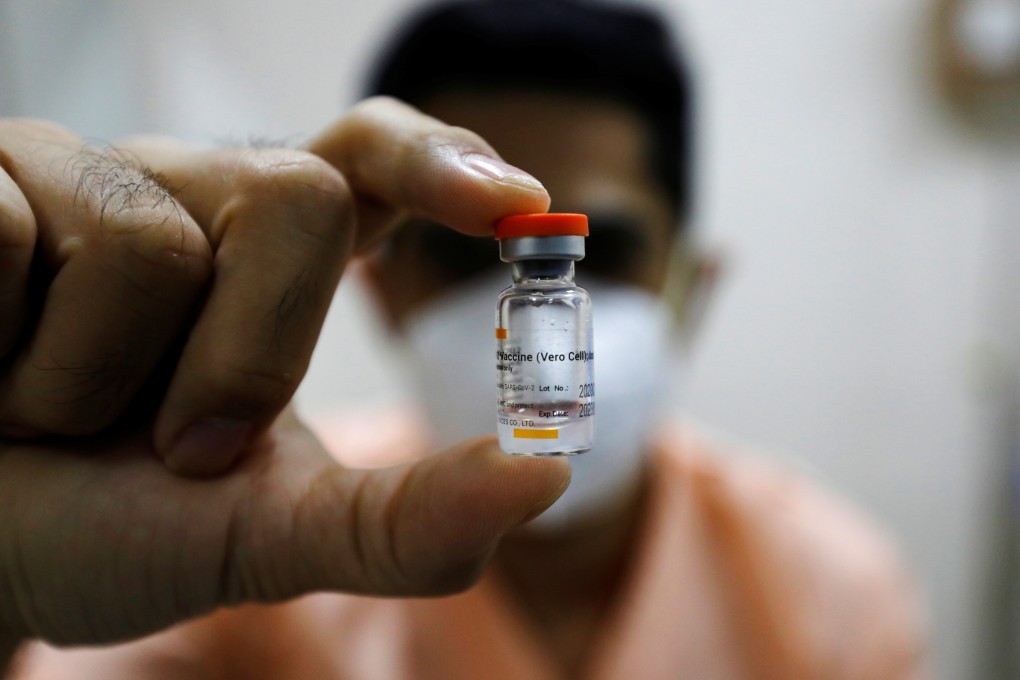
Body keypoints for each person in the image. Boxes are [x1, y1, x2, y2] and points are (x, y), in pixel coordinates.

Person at [4, 1, 931, 678]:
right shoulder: (230, 521)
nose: (528, 291)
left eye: (605, 253)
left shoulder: (830, 591)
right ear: (379, 289)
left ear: (696, 289)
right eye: (460, 253)